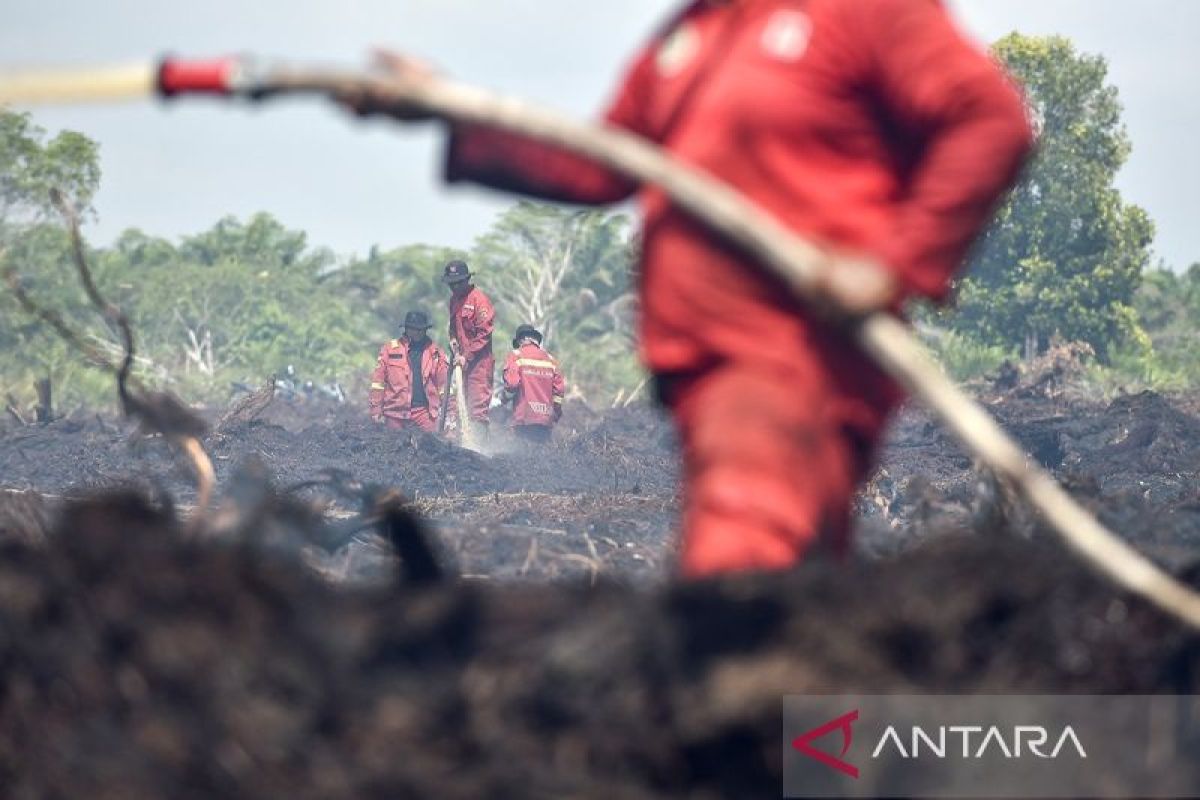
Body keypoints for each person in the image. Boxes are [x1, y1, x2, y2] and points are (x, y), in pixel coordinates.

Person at [343, 0, 1034, 576]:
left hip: (789, 359)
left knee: (738, 575)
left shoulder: (858, 10)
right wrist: (446, 107)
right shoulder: (691, 37)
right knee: (797, 582)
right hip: (702, 377)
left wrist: (893, 265)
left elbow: (989, 120)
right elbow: (601, 164)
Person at [368, 310, 452, 432]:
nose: (416, 332)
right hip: (395, 413)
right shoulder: (389, 350)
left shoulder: (435, 353)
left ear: (425, 330)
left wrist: (450, 414)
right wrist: (376, 410)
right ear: (406, 328)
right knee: (392, 442)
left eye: (420, 329)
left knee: (432, 442)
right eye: (413, 329)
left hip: (424, 413)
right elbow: (378, 383)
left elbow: (445, 386)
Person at [443, 259, 495, 435]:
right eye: (451, 284)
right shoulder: (454, 301)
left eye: (458, 283)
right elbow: (453, 327)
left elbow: (484, 333)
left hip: (479, 364)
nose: (455, 287)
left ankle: (478, 447)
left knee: (477, 410)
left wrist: (467, 356)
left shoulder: (479, 300)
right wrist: (453, 340)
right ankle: (462, 444)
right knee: (459, 406)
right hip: (462, 363)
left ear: (466, 280)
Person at [502, 324, 566, 444]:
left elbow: (512, 384)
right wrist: (556, 413)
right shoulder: (551, 360)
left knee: (521, 453)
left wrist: (504, 398)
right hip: (545, 420)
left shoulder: (516, 356)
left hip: (524, 418)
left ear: (521, 340)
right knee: (541, 454)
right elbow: (559, 392)